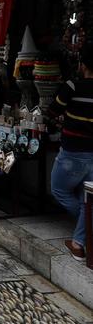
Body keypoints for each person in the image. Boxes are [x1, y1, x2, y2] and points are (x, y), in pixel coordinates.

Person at [48, 45, 93, 262]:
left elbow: (52, 111)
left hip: (73, 151)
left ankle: (82, 237)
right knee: (89, 198)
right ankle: (80, 240)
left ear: (82, 65)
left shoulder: (72, 86)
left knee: (58, 190)